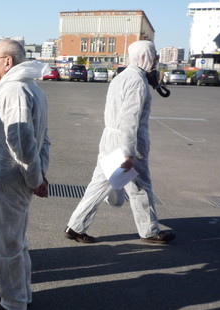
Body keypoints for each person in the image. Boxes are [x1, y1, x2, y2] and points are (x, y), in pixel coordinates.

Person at [65, 40, 176, 245]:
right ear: (145, 57)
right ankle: (150, 231)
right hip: (127, 142)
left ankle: (75, 226)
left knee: (98, 185)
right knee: (141, 187)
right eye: (154, 55)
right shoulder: (137, 82)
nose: (156, 60)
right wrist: (129, 153)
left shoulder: (122, 76)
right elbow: (130, 118)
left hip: (110, 139)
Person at [0, 39, 50, 310]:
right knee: (17, 239)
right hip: (19, 176)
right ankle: (19, 291)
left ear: (8, 62)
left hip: (9, 178)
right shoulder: (31, 87)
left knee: (7, 244)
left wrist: (35, 178)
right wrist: (39, 173)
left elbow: (22, 140)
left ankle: (13, 303)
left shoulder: (15, 90)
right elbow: (43, 138)